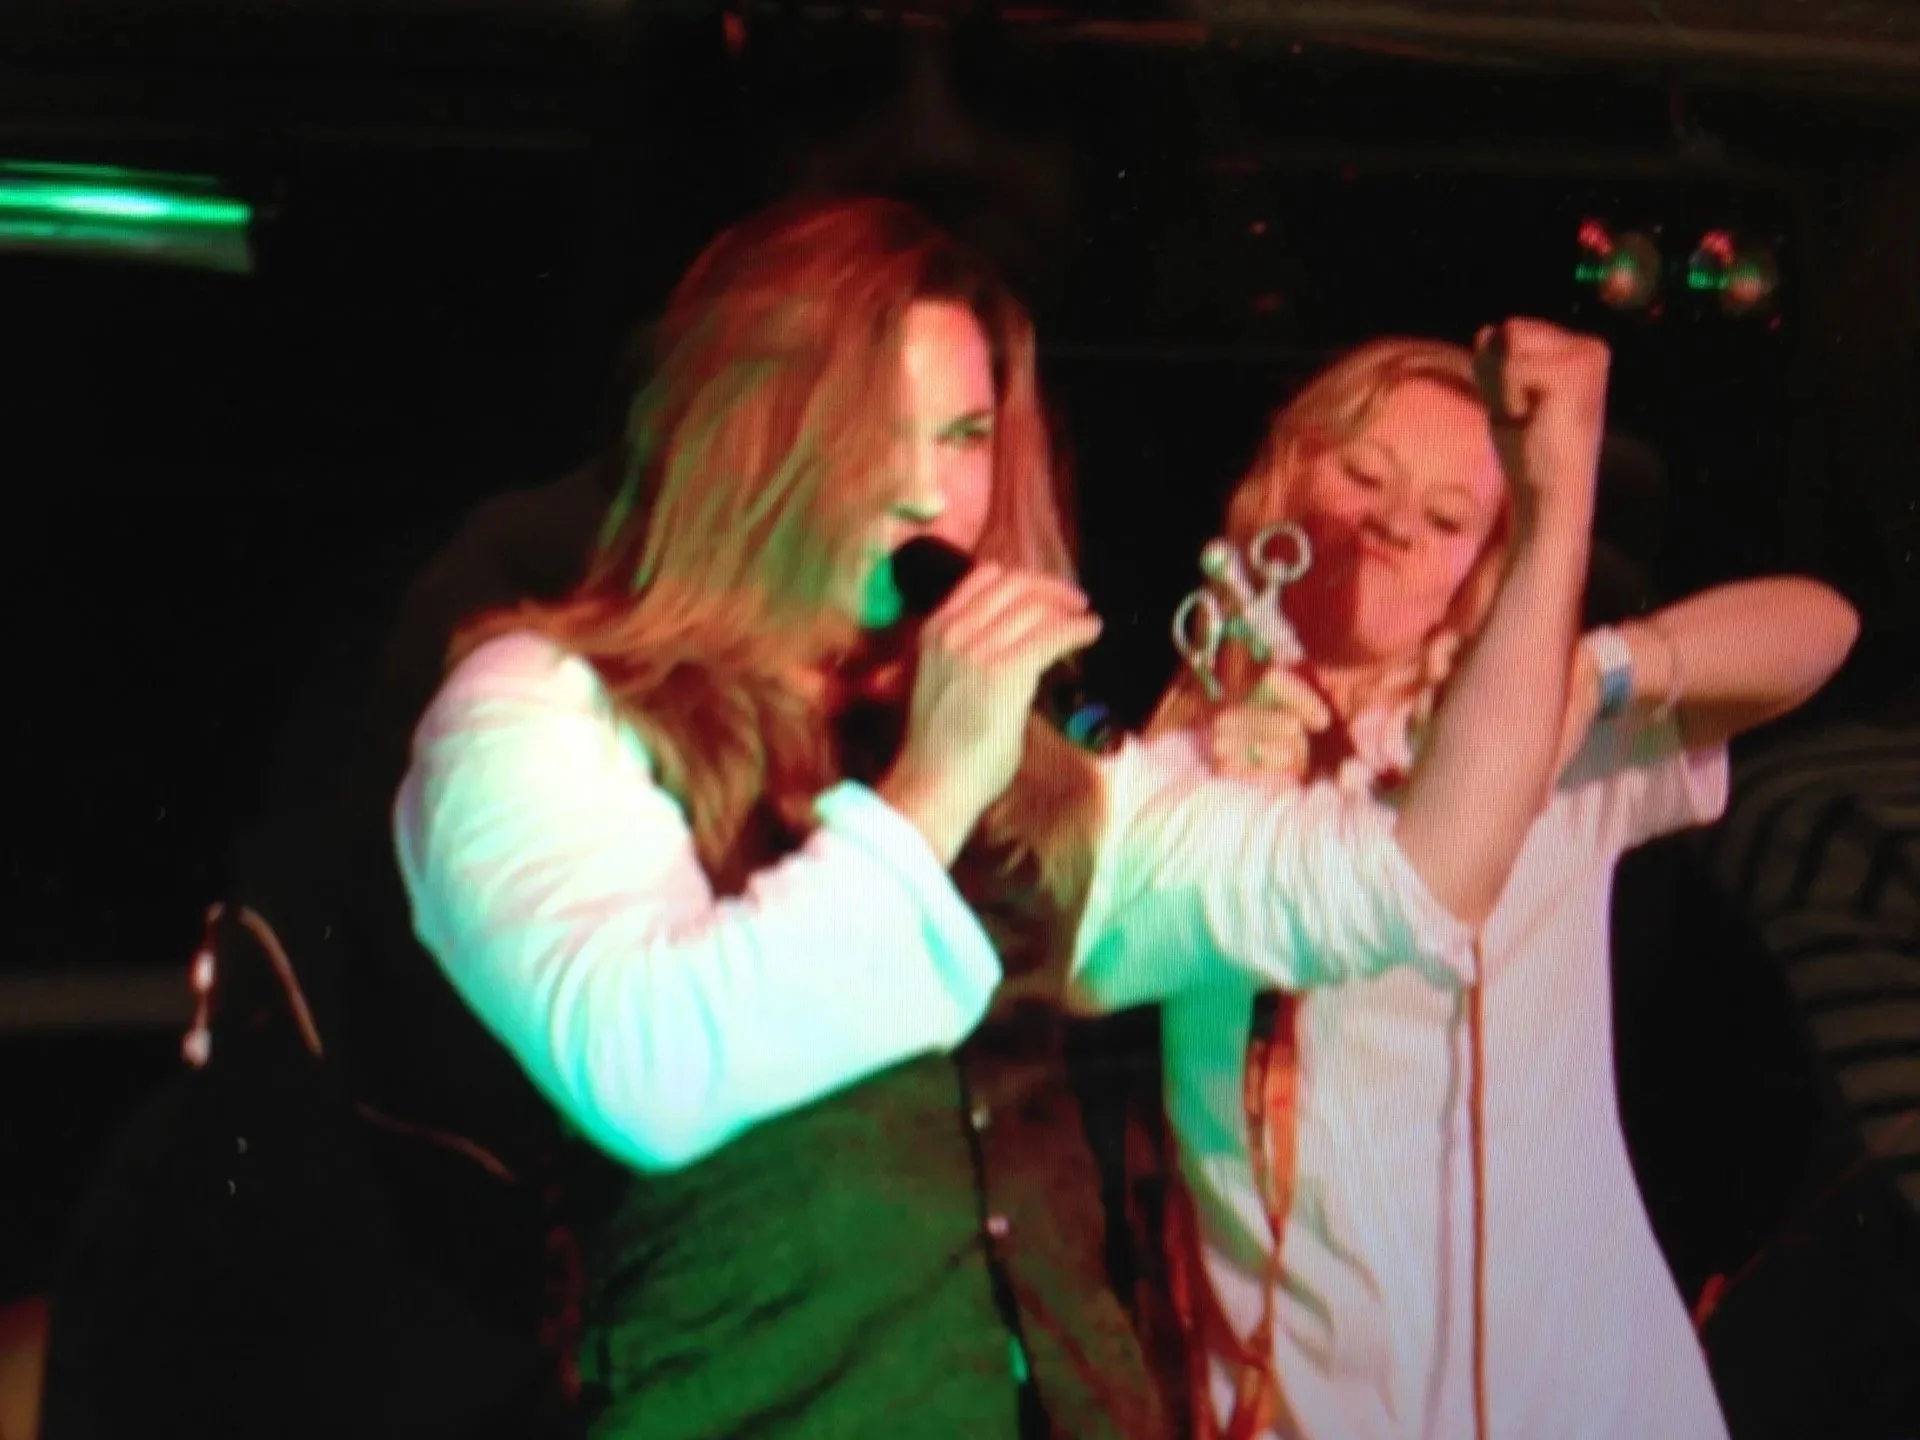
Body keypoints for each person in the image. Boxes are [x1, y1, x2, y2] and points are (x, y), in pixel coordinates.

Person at [394, 194, 1604, 1439]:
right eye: (878, 432)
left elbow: (1412, 883)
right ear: (745, 431)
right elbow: (647, 1067)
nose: (930, 492)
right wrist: (935, 786)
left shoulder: (1005, 762)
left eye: (965, 436)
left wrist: (1557, 503)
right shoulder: (538, 712)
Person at [1147, 334, 1861, 1439]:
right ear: (1284, 475)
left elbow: (1819, 628)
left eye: (1445, 519)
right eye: (1363, 475)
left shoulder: (1536, 743)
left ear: (1486, 560)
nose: (1390, 527)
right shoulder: (1174, 766)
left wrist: (1590, 670)